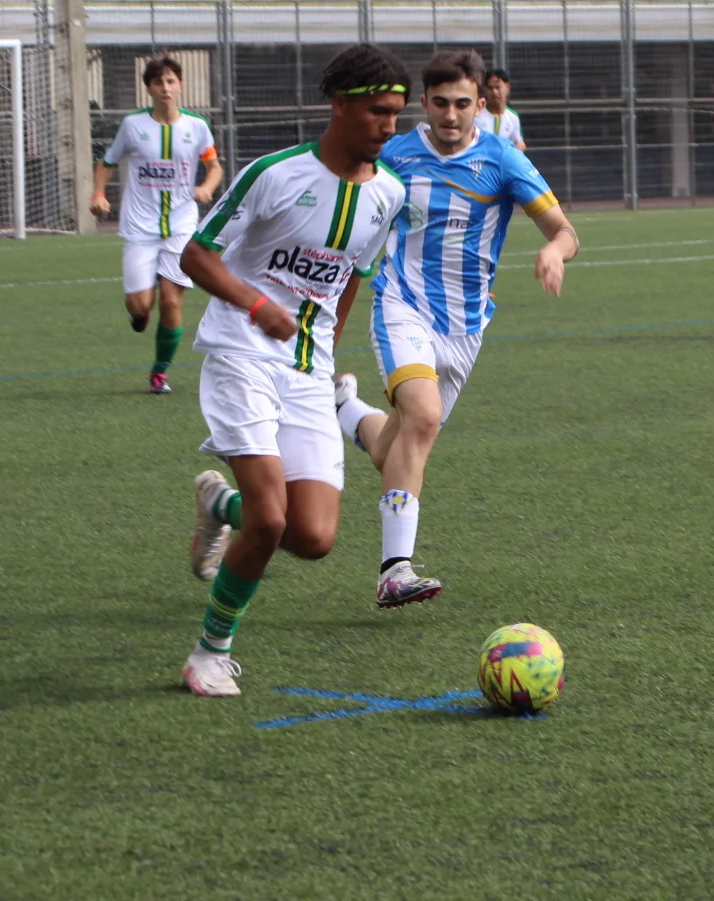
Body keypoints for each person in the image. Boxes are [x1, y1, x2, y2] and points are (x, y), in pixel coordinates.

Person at [178, 44, 412, 698]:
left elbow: (351, 278)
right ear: (339, 105)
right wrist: (256, 305)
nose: (389, 126)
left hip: (308, 372)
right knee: (271, 519)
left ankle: (218, 505)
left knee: (311, 536)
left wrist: (327, 351)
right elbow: (197, 255)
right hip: (240, 355)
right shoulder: (274, 174)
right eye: (378, 112)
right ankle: (209, 654)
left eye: (397, 114)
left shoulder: (389, 194)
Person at [332, 50, 578, 608]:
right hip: (401, 303)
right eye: (440, 103)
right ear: (423, 103)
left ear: (480, 104)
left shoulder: (502, 159)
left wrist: (553, 251)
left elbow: (565, 231)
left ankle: (345, 409)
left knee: (397, 448)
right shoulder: (395, 155)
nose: (451, 115)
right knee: (422, 417)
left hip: (466, 325)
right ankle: (395, 570)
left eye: (463, 104)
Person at [90, 56, 224, 394]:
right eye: (158, 82)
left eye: (170, 81)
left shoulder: (197, 126)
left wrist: (207, 188)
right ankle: (139, 312)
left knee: (171, 300)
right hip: (140, 226)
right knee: (140, 305)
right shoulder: (132, 125)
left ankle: (159, 373)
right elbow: (107, 162)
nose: (165, 88)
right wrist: (98, 194)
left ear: (180, 85)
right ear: (149, 88)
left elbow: (214, 167)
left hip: (181, 224)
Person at [476, 67, 527, 150]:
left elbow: (519, 143)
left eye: (498, 87)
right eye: (490, 88)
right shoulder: (476, 114)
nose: (494, 92)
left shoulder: (513, 117)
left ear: (507, 87)